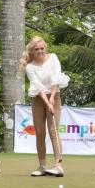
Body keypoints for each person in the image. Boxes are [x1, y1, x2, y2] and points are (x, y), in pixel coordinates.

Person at [21, 36, 70, 177]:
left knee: (53, 130)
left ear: (45, 48)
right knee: (40, 133)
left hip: (55, 96)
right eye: (37, 49)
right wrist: (47, 102)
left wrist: (52, 98)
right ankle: (42, 166)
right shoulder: (30, 67)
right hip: (38, 99)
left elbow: (56, 79)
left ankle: (58, 166)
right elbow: (38, 87)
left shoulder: (53, 58)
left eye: (42, 48)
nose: (40, 51)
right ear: (32, 51)